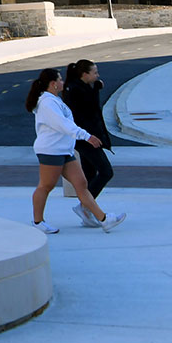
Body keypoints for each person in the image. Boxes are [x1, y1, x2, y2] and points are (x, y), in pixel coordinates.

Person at [26, 67, 123, 233]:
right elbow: (63, 125)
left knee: (82, 184)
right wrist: (86, 136)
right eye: (60, 79)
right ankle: (38, 222)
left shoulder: (54, 100)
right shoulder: (48, 103)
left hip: (64, 151)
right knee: (46, 186)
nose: (63, 82)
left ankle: (104, 219)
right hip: (51, 151)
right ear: (53, 84)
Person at [64, 59, 114, 226]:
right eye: (94, 72)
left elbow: (92, 108)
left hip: (87, 138)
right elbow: (84, 115)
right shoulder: (76, 91)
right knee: (106, 172)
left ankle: (87, 212)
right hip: (87, 139)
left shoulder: (82, 87)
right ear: (84, 74)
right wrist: (90, 137)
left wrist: (96, 88)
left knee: (90, 175)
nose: (97, 75)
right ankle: (84, 207)